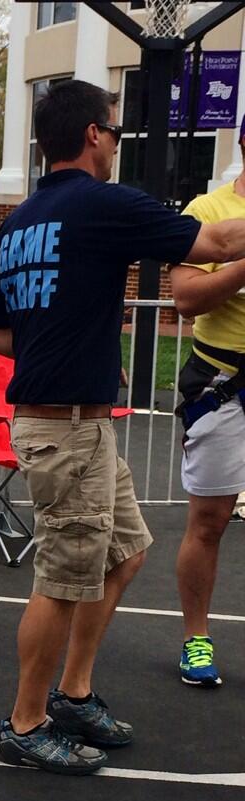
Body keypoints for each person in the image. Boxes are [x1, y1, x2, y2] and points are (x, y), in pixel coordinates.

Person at [0, 79, 245, 775]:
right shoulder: (103, 204)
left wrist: (60, 346)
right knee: (61, 579)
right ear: (93, 134)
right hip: (63, 430)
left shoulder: (20, 221)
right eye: (117, 130)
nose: (118, 141)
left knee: (124, 555)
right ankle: (25, 723)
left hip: (73, 425)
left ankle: (73, 692)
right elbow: (213, 239)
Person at [170, 114, 245, 688]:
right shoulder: (210, 209)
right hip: (226, 383)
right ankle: (197, 637)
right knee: (210, 522)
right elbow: (185, 299)